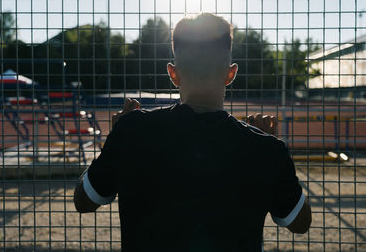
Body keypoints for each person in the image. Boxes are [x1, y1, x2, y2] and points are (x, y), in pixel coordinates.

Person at [73, 13, 311, 252]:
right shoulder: (266, 149)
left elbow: (84, 201)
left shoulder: (131, 131)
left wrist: (116, 142)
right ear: (231, 74)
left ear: (172, 73)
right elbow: (300, 223)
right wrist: (271, 149)